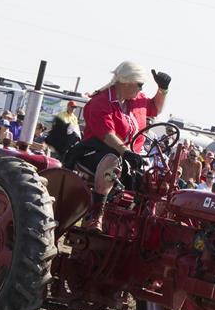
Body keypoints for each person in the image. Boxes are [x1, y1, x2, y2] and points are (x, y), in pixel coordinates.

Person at [64, 61, 170, 231]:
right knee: (111, 161)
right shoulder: (100, 102)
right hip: (95, 151)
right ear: (126, 82)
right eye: (140, 84)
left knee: (156, 179)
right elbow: (107, 134)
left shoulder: (137, 100)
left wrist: (162, 90)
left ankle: (143, 222)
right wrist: (126, 152)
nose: (141, 89)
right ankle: (96, 215)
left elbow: (155, 109)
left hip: (130, 155)